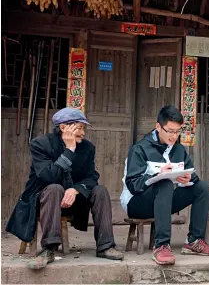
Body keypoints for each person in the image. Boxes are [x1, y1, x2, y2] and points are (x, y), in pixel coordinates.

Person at [6, 107, 123, 270]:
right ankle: (48, 249)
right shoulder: (40, 144)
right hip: (43, 200)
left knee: (100, 190)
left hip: (73, 200)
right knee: (54, 188)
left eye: (84, 128)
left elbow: (92, 177)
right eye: (79, 128)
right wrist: (69, 150)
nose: (83, 133)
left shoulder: (88, 148)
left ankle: (105, 246)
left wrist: (75, 190)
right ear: (63, 128)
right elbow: (48, 177)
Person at [121, 105, 209, 266]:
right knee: (164, 182)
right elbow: (133, 184)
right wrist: (157, 175)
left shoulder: (179, 150)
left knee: (201, 187)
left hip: (164, 203)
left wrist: (187, 179)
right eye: (170, 131)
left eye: (178, 131)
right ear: (158, 126)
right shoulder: (140, 149)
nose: (174, 136)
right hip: (137, 203)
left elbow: (192, 174)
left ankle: (194, 241)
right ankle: (161, 245)